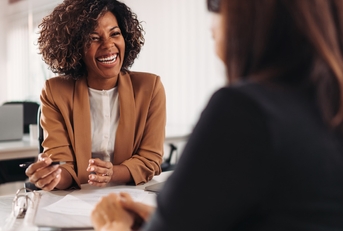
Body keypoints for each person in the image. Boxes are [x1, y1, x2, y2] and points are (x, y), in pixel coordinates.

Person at [91, 0, 343, 230]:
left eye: (215, 6)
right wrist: (165, 218)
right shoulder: (328, 107)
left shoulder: (245, 112)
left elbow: (150, 160)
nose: (211, 26)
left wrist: (114, 224)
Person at [25, 0, 166, 191]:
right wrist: (53, 176)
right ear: (75, 47)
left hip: (130, 195)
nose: (108, 45)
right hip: (76, 199)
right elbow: (63, 164)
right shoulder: (55, 92)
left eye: (115, 34)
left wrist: (112, 173)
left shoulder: (149, 88)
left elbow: (150, 160)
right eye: (93, 38)